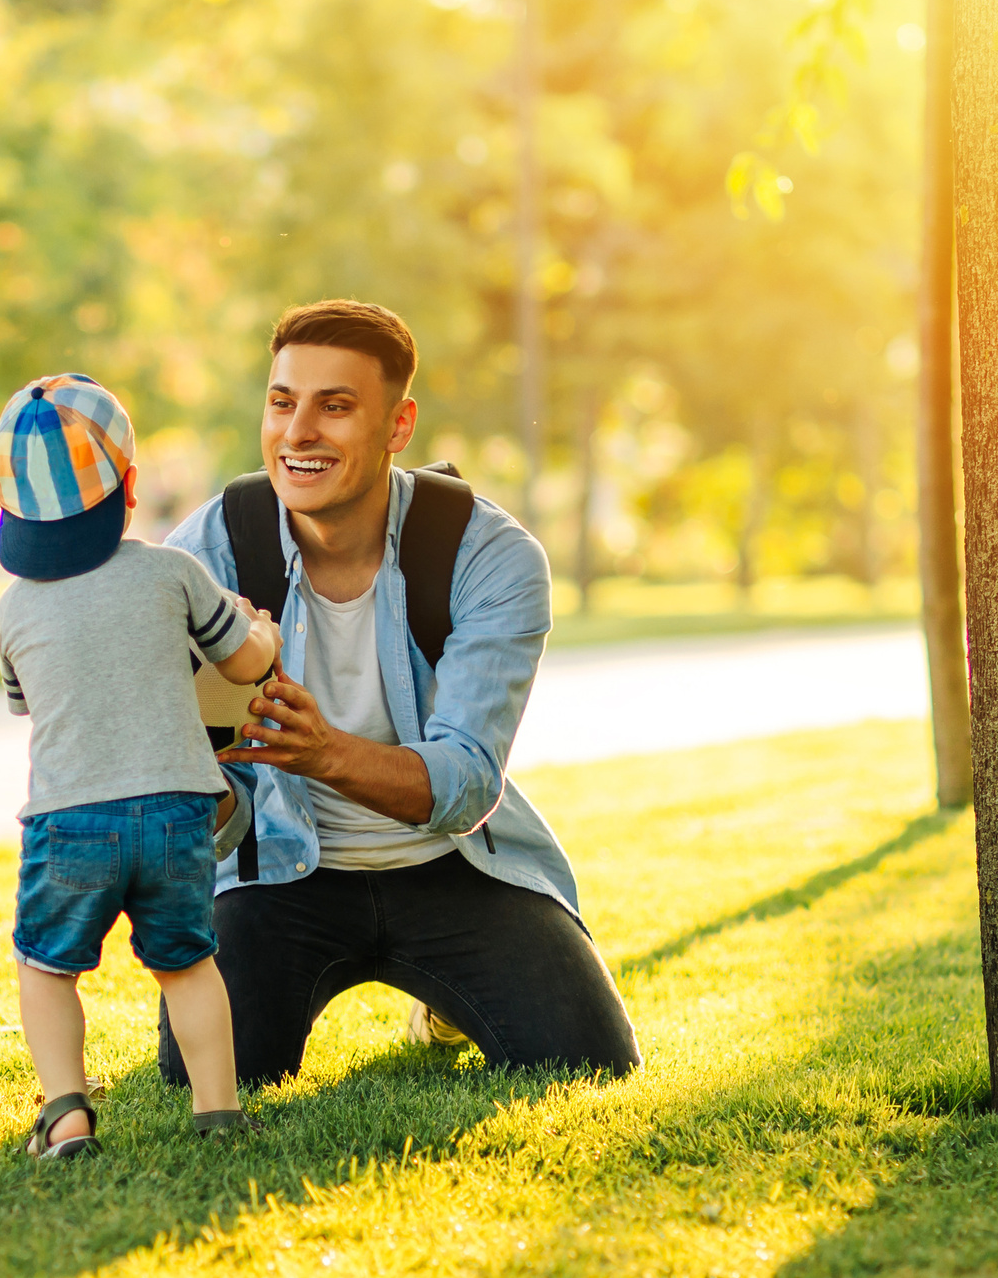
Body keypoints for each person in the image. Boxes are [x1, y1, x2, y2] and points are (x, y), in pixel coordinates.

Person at [160, 299, 641, 1086]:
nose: (298, 432)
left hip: (455, 864)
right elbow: (226, 825)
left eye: (335, 407)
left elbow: (464, 786)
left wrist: (319, 753)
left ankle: (447, 997)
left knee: (589, 1064)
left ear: (399, 424)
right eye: (283, 403)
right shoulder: (205, 555)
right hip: (279, 875)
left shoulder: (491, 556)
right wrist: (191, 771)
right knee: (210, 1080)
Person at [0, 373, 282, 1158]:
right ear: (126, 481)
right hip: (176, 811)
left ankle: (67, 1116)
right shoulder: (170, 572)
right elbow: (247, 659)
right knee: (188, 964)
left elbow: (30, 703)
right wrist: (265, 634)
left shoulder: (14, 608)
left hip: (69, 818)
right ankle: (218, 1112)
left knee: (48, 968)